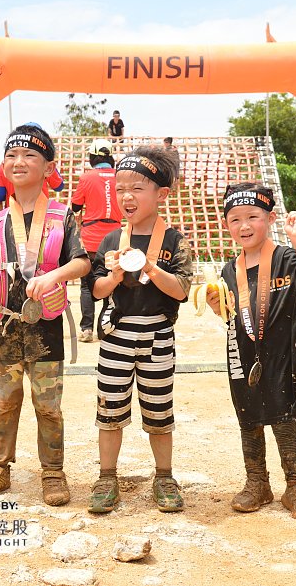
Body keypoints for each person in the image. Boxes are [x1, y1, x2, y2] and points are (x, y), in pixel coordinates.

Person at [0, 124, 90, 506]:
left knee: (48, 406)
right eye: (11, 155)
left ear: (48, 167)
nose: (18, 162)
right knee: (4, 402)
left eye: (29, 155)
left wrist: (54, 275)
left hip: (45, 330)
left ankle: (53, 472)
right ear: (3, 166)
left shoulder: (61, 216)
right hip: (2, 330)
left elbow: (83, 262)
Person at [87, 146, 193, 513]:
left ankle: (164, 476)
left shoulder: (175, 242)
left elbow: (181, 291)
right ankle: (106, 477)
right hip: (117, 335)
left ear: (161, 194)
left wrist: (149, 267)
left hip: (157, 334)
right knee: (109, 409)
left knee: (159, 409)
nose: (126, 197)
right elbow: (96, 290)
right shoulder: (110, 241)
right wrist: (115, 275)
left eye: (137, 188)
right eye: (120, 189)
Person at [212, 183, 296, 522]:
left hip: (282, 355)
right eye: (235, 219)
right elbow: (231, 314)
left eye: (253, 217)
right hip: (242, 354)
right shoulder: (229, 269)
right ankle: (257, 483)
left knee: (283, 419)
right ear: (226, 225)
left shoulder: (285, 258)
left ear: (270, 218)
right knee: (248, 419)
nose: (244, 226)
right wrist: (217, 306)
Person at [71, 139, 121, 342]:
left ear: (92, 157)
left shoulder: (86, 177)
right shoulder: (120, 176)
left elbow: (75, 206)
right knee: (113, 283)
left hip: (91, 239)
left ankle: (86, 329)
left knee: (86, 285)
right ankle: (106, 328)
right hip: (116, 238)